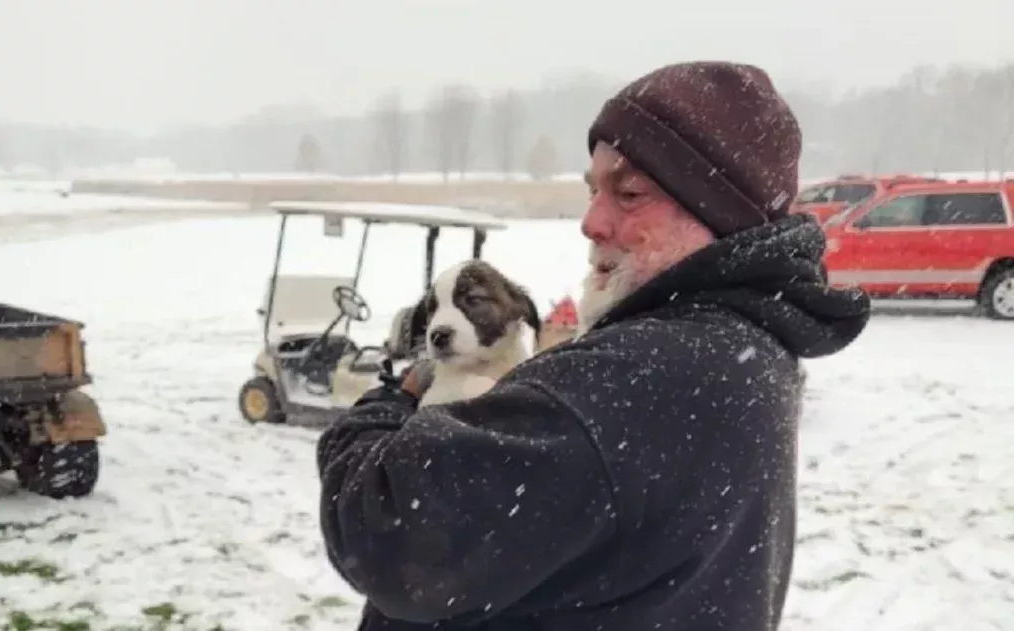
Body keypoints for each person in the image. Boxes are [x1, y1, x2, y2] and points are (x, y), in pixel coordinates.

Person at [316, 61, 870, 631]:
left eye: (628, 193)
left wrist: (386, 408)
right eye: (592, 191)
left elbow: (385, 528)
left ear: (718, 210)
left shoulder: (630, 381)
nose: (591, 222)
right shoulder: (750, 344)